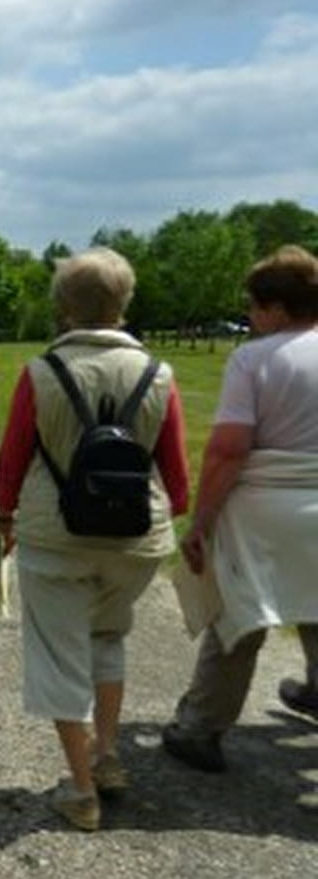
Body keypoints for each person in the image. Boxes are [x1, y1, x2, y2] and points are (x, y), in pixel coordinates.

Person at [0, 247, 191, 831]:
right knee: (108, 638)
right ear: (124, 304)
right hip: (135, 538)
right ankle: (105, 756)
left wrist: (5, 516)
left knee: (60, 657)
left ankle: (80, 791)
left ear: (63, 308)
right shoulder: (160, 375)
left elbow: (13, 458)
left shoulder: (41, 373)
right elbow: (177, 477)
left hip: (55, 536)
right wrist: (165, 513)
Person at [162, 246, 318, 799]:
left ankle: (201, 728)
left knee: (239, 614)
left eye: (253, 306)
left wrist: (201, 521)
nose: (250, 317)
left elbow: (228, 450)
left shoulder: (255, 359)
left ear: (276, 308)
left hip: (268, 505)